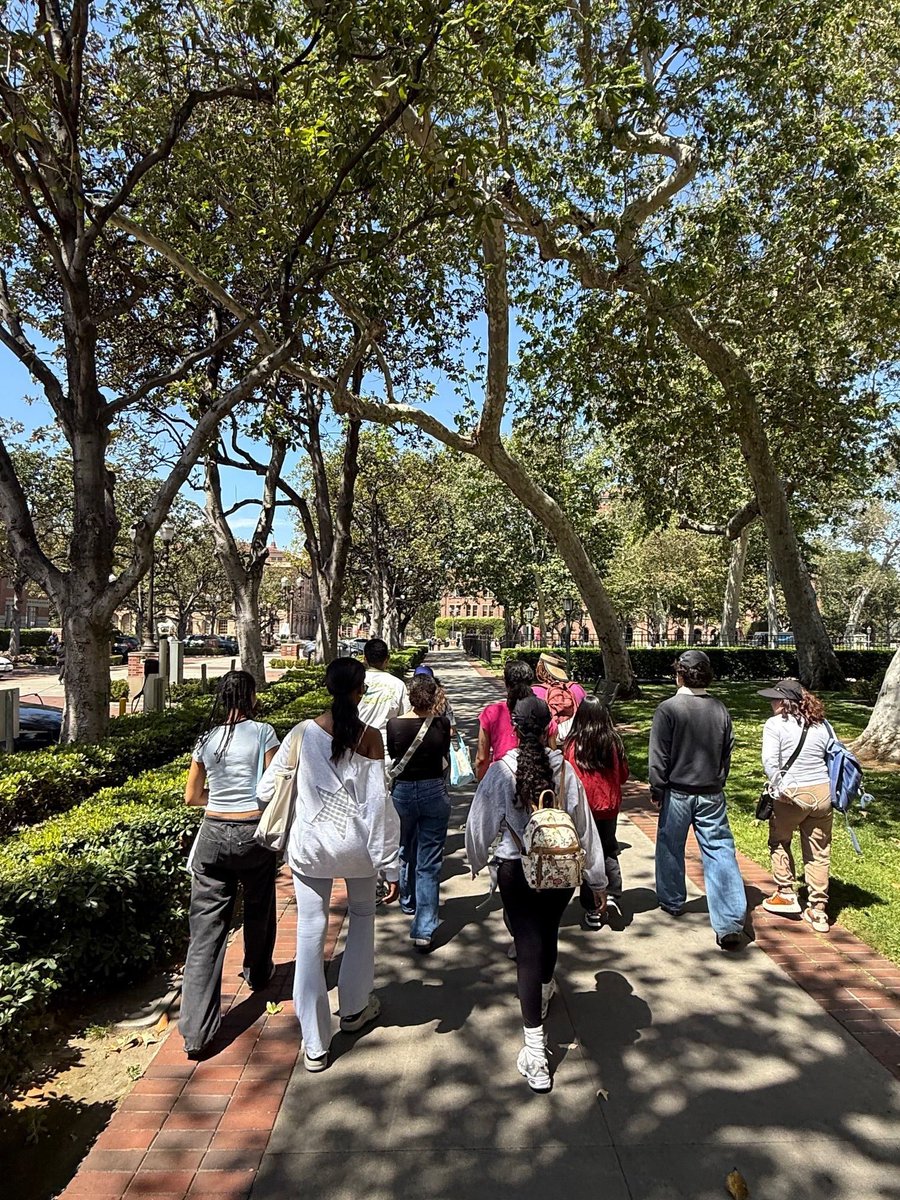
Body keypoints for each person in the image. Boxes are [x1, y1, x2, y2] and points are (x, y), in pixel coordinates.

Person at [258, 658, 400, 1072]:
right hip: (358, 851)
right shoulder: (371, 738)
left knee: (309, 932)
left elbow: (267, 789)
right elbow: (377, 807)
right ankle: (355, 1008)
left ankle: (315, 1043)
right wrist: (389, 864)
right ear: (361, 690)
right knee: (362, 919)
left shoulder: (302, 733)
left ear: (326, 686)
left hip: (310, 848)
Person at [466, 696, 607, 1093]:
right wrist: (596, 881)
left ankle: (535, 1050)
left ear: (514, 726)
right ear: (549, 727)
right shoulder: (564, 770)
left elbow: (479, 824)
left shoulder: (500, 770)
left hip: (517, 871)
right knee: (548, 935)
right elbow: (584, 827)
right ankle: (543, 989)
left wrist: (476, 861)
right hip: (560, 873)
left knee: (527, 945)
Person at [180, 671, 280, 1059]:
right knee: (259, 905)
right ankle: (257, 971)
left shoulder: (207, 739)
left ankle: (196, 1032)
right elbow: (273, 787)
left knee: (206, 932)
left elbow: (191, 796)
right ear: (252, 697)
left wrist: (218, 798)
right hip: (252, 833)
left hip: (212, 835)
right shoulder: (263, 733)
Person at [648, 649, 747, 951]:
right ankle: (729, 921)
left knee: (670, 846)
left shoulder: (668, 709)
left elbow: (658, 757)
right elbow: (726, 753)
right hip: (711, 792)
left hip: (677, 791)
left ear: (679, 674)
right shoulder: (720, 709)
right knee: (720, 852)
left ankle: (672, 900)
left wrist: (656, 788)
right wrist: (719, 779)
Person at [758, 678, 834, 933]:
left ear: (783, 702)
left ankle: (786, 892)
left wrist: (778, 790)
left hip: (791, 794)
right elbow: (831, 755)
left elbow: (770, 761)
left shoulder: (775, 725)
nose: (771, 703)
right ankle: (818, 909)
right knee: (819, 851)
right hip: (822, 793)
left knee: (780, 840)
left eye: (774, 699)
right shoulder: (823, 724)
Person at [387, 674, 452, 948]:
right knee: (429, 860)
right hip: (433, 790)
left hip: (402, 792)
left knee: (405, 846)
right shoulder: (442, 724)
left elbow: (393, 754)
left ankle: (408, 900)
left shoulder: (394, 725)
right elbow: (444, 754)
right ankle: (424, 928)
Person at [564, 694, 629, 928]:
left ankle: (592, 907)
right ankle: (612, 894)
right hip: (608, 806)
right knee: (609, 847)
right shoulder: (613, 741)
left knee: (586, 854)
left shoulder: (573, 745)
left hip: (582, 808)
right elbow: (623, 775)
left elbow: (567, 777)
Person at [475, 658, 540, 780]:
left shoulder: (491, 712)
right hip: (536, 777)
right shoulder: (542, 710)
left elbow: (482, 758)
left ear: (506, 683)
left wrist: (483, 784)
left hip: (501, 776)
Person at [356, 637, 410, 747]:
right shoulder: (398, 685)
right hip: (386, 749)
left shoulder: (354, 681)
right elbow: (405, 718)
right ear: (387, 659)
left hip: (356, 747)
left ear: (365, 659)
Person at [533, 651, 586, 738]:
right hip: (576, 740)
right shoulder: (578, 688)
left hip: (545, 744)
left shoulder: (535, 691)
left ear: (541, 669)